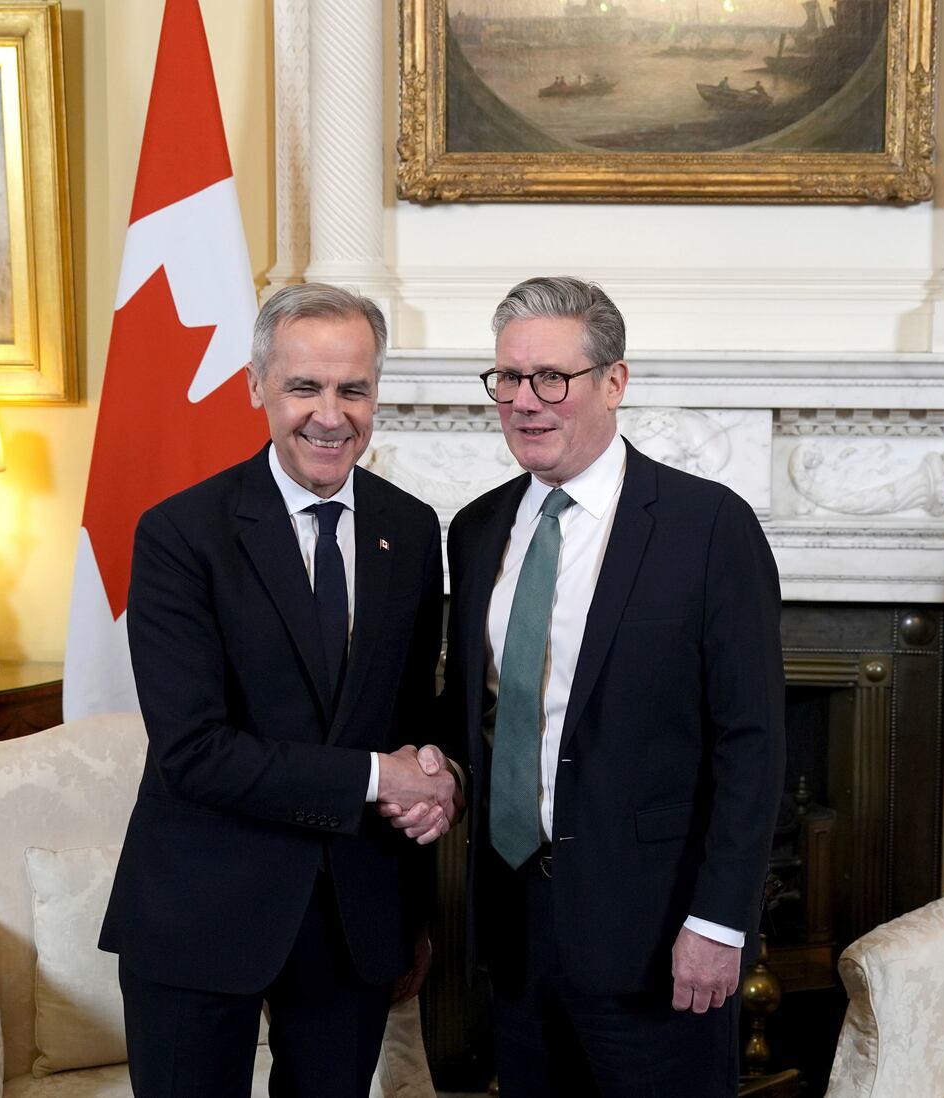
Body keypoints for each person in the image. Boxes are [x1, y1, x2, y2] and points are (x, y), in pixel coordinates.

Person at [394, 276, 785, 1096]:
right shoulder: (473, 531)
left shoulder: (708, 528)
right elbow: (484, 719)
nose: (525, 402)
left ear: (614, 382)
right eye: (507, 378)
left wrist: (719, 924)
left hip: (658, 939)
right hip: (513, 935)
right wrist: (438, 775)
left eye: (551, 378)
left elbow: (752, 745)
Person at [100, 283, 459, 1098]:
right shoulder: (178, 533)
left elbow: (412, 720)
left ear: (375, 394)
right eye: (305, 386)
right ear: (256, 386)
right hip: (200, 912)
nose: (330, 415)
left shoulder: (410, 528)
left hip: (355, 921)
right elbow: (194, 752)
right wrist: (380, 779)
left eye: (352, 389)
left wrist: (434, 795)